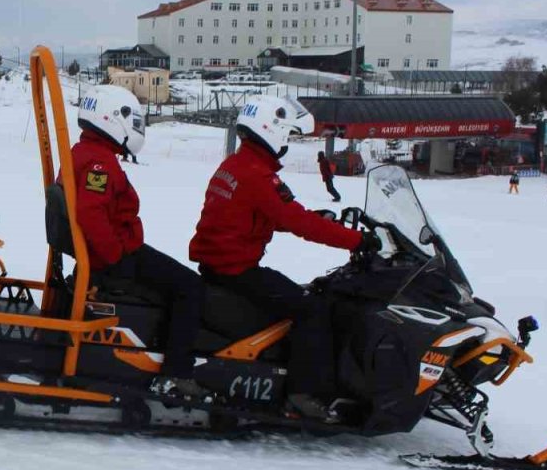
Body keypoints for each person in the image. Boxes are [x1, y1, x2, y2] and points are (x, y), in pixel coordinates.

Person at [189, 95, 378, 422]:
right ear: (271, 131)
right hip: (236, 270)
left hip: (220, 265)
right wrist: (357, 240)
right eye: (288, 135)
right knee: (312, 309)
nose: (287, 144)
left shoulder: (236, 165)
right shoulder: (258, 175)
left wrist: (314, 218)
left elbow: (258, 214)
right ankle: (302, 394)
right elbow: (297, 221)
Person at [71, 86, 208, 400]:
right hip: (113, 256)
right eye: (130, 119)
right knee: (190, 287)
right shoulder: (99, 163)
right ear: (111, 118)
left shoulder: (89, 152)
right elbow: (91, 213)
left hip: (109, 251)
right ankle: (176, 373)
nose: (135, 128)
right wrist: (116, 258)